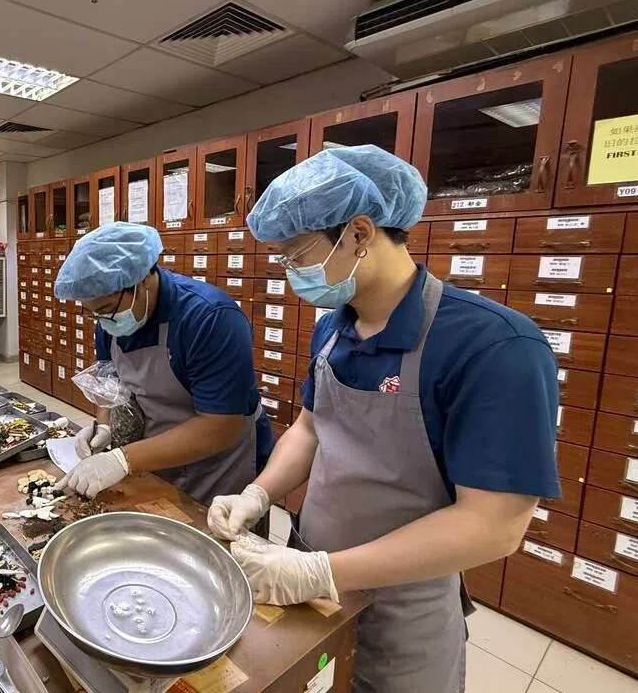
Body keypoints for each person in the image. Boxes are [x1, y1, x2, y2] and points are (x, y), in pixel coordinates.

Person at [209, 145, 560, 693]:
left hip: (403, 607)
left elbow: (494, 524)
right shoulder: (334, 327)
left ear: (359, 233)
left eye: (294, 255)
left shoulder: (493, 346)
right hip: (311, 576)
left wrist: (322, 571)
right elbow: (311, 426)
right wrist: (258, 493)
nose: (288, 273)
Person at [52, 222, 271, 506]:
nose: (103, 321)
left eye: (106, 310)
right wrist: (103, 427)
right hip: (156, 451)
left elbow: (220, 427)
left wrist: (122, 459)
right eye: (94, 314)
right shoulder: (109, 319)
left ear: (142, 279)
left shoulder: (211, 318)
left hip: (221, 464)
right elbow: (110, 382)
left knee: (214, 539)